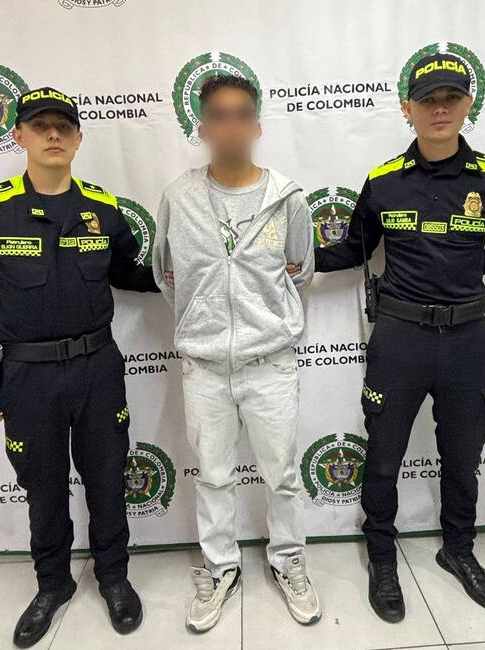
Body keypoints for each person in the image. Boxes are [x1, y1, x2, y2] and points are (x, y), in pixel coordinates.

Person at [314, 54, 485, 623]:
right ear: (407, 109)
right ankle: (382, 557)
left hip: (466, 339)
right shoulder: (384, 180)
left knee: (462, 456)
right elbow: (355, 247)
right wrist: (299, 262)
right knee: (384, 456)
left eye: (450, 98)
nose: (439, 109)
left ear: (467, 104)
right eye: (428, 100)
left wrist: (465, 271)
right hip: (400, 337)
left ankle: (458, 550)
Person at [0, 87, 159, 647]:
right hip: (28, 376)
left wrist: (184, 271)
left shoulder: (102, 207)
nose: (53, 134)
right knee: (43, 487)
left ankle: (113, 577)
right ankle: (52, 583)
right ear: (18, 135)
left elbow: (129, 272)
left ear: (77, 138)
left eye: (63, 126)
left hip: (97, 368)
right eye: (40, 125)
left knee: (107, 478)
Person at [152, 75, 321, 633]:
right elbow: (167, 277)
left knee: (283, 475)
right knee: (214, 476)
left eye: (241, 114)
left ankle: (288, 561)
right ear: (202, 128)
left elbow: (301, 270)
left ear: (257, 126)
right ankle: (221, 567)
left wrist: (258, 319)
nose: (230, 126)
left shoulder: (287, 198)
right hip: (204, 368)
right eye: (218, 115)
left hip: (269, 364)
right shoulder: (178, 198)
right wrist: (206, 323)